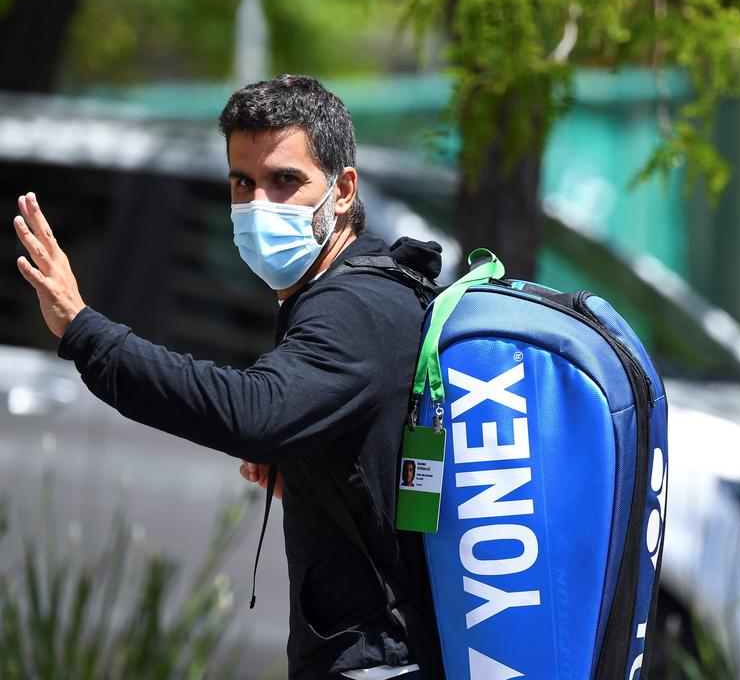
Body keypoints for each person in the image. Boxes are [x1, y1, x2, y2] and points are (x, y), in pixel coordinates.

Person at [12, 75, 443, 680]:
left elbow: (254, 414)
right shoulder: (353, 288)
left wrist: (82, 329)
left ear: (342, 190)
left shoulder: (352, 307)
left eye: (285, 180)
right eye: (243, 182)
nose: (258, 203)